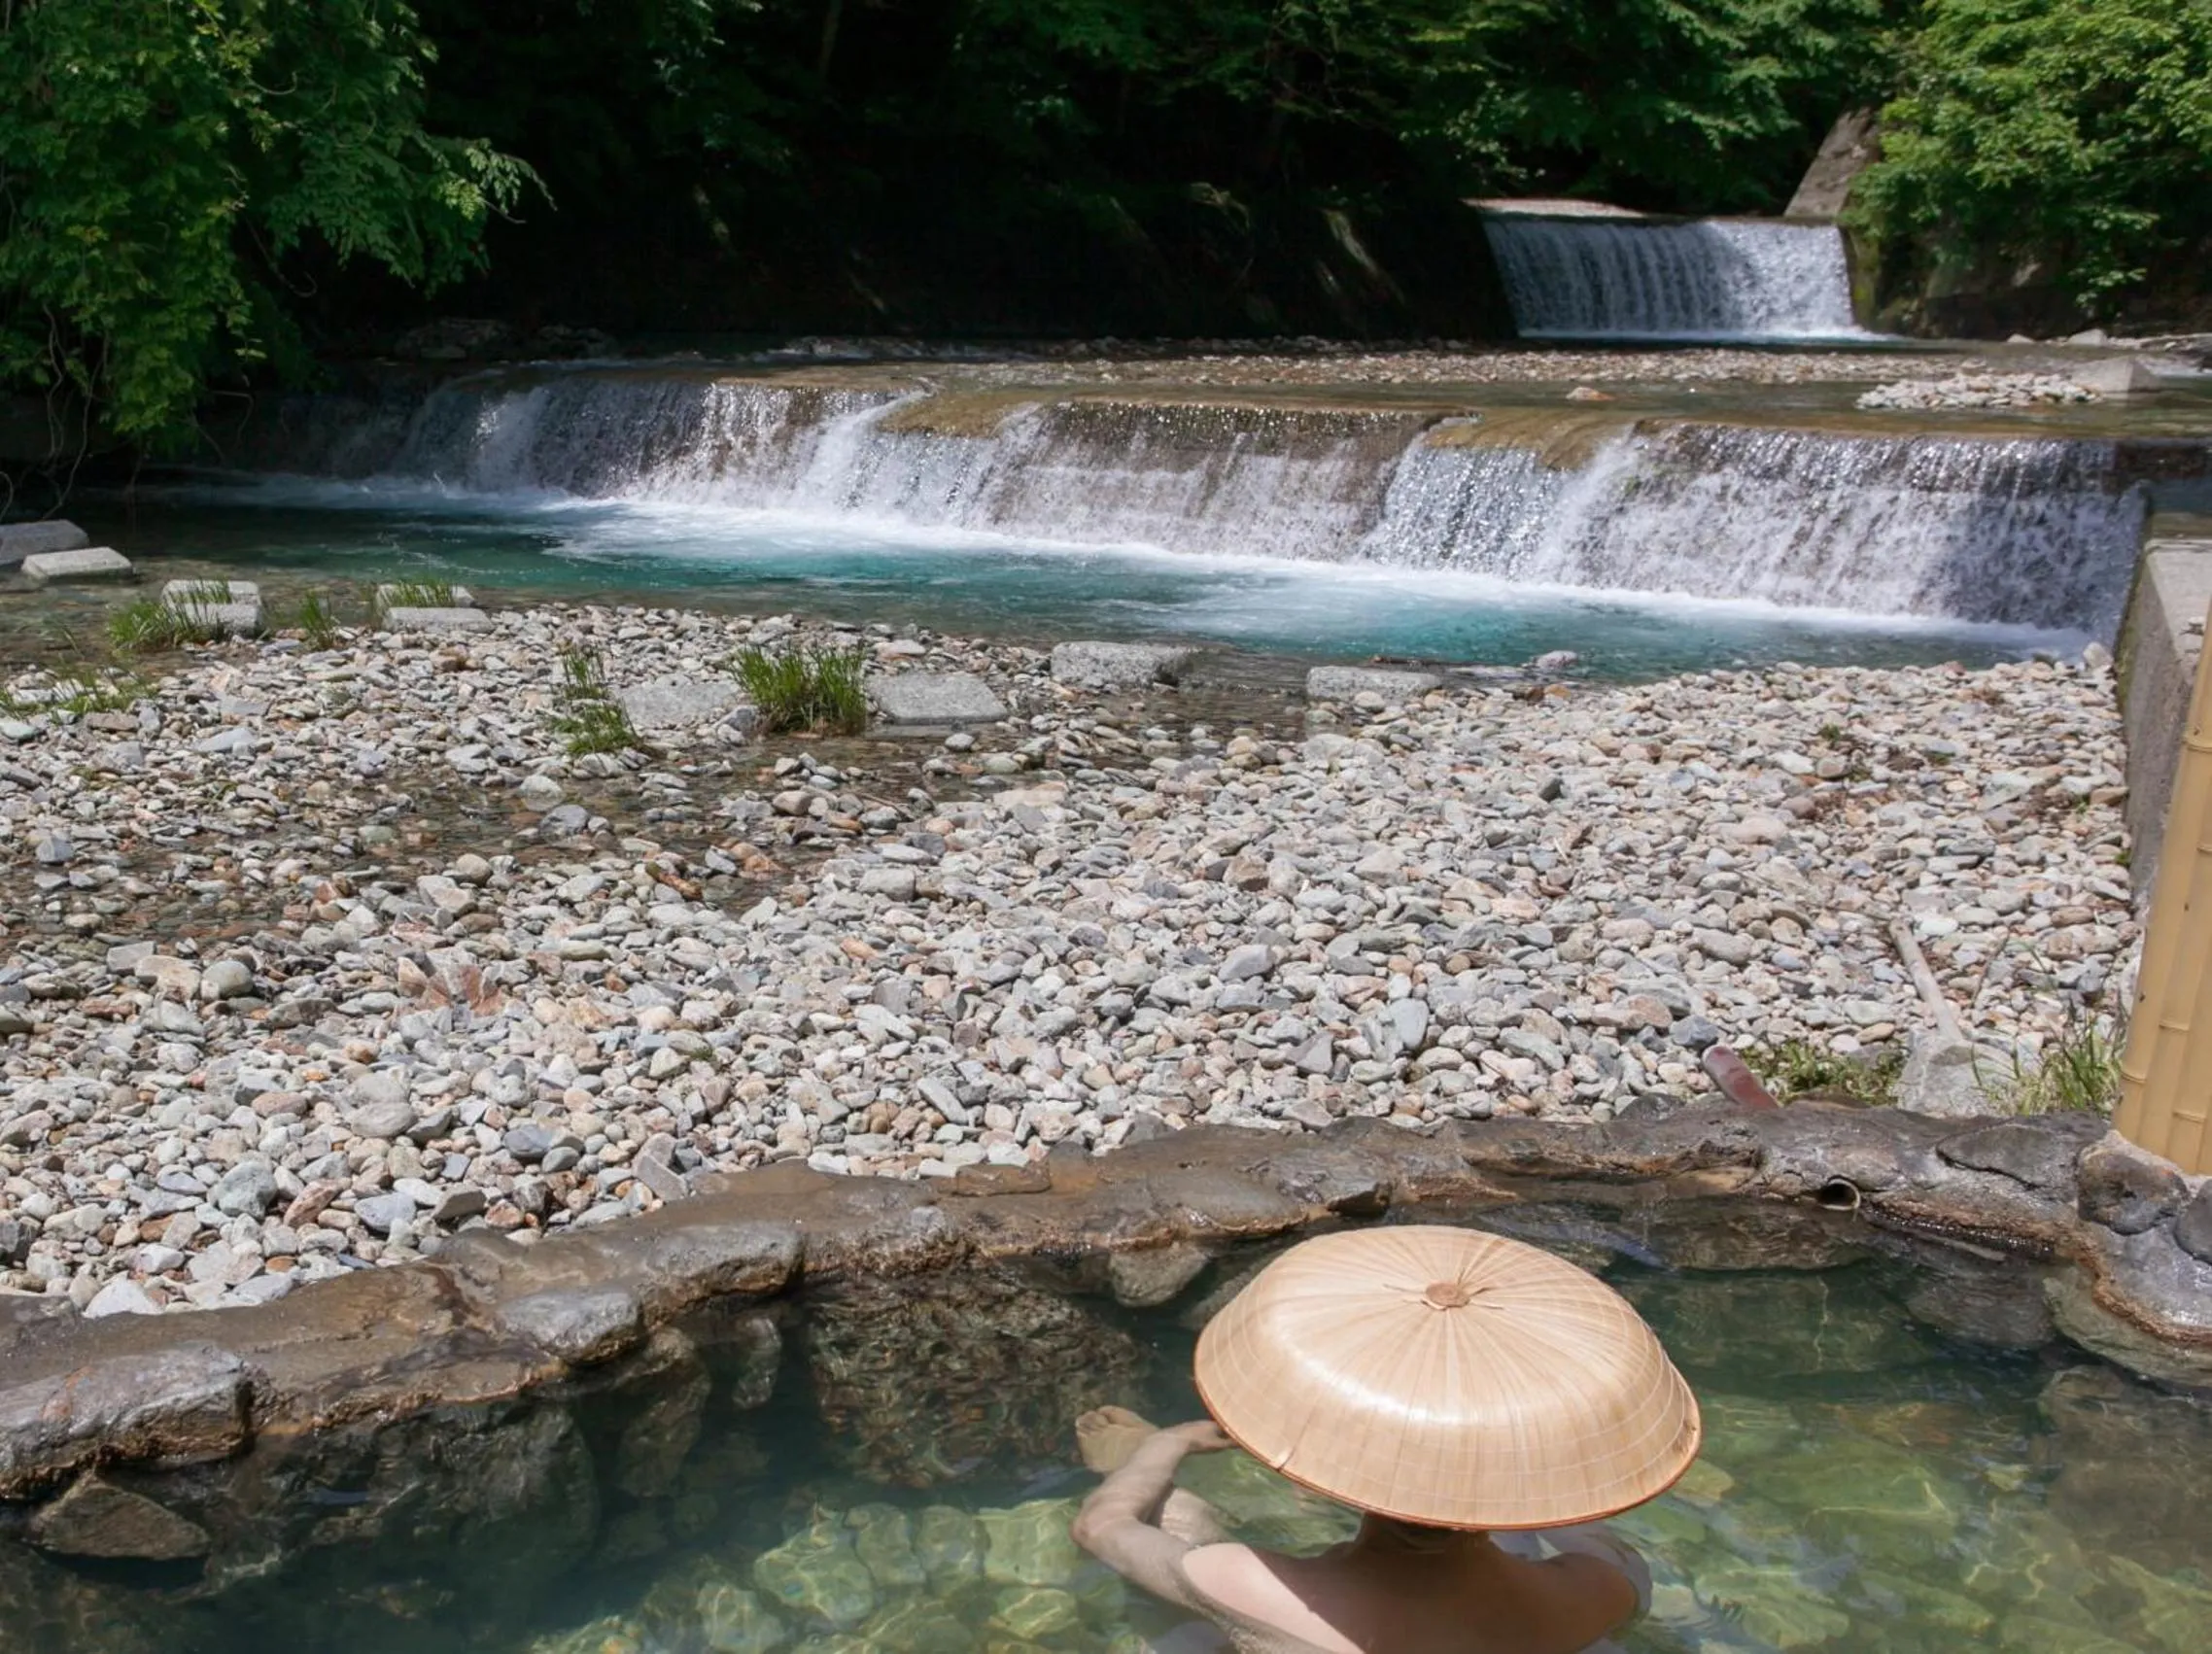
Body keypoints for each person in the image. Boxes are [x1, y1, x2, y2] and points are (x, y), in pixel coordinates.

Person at [1071, 1226, 1698, 1654]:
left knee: (1181, 1528)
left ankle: (1136, 1466)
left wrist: (1168, 1444)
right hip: (1530, 1617)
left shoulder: (1243, 1585)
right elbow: (1582, 1524)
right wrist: (1539, 1455)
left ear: (1352, 1474)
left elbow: (1100, 1529)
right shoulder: (1604, 1588)